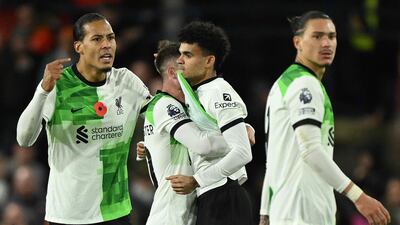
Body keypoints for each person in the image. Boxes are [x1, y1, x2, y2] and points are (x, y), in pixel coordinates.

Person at [16, 13, 151, 224]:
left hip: (114, 213)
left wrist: (149, 142)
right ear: (79, 47)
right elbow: (24, 139)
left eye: (111, 38)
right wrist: (42, 90)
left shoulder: (126, 82)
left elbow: (158, 118)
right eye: (97, 39)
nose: (107, 45)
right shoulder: (58, 86)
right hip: (67, 215)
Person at [259, 10, 391, 225]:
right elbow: (310, 149)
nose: (326, 43)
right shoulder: (305, 85)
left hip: (287, 210)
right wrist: (359, 197)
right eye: (317, 36)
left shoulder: (283, 83)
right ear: (297, 42)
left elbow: (273, 159)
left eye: (331, 36)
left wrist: (266, 212)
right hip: (302, 210)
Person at [166, 21, 253, 225]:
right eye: (180, 53)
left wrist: (197, 180)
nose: (180, 60)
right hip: (212, 195)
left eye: (188, 55)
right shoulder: (199, 92)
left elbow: (242, 153)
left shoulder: (218, 92)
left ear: (209, 61)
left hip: (224, 196)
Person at [140, 40, 235, 225]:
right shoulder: (165, 105)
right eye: (186, 67)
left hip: (186, 215)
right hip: (169, 218)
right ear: (172, 73)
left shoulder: (185, 108)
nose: (193, 73)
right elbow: (204, 145)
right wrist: (236, 138)